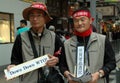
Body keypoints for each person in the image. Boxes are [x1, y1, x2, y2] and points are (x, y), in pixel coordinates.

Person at [6, 2, 63, 83]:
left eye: (39, 15)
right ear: (29, 18)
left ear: (45, 18)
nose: (35, 19)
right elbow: (15, 59)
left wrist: (57, 60)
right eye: (32, 15)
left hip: (49, 80)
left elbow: (62, 56)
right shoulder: (21, 38)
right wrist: (13, 66)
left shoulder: (53, 37)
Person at [59, 7, 116, 83]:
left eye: (82, 20)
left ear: (90, 20)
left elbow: (111, 62)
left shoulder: (102, 40)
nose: (79, 23)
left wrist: (99, 74)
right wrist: (68, 75)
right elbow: (62, 65)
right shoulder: (67, 44)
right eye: (76, 20)